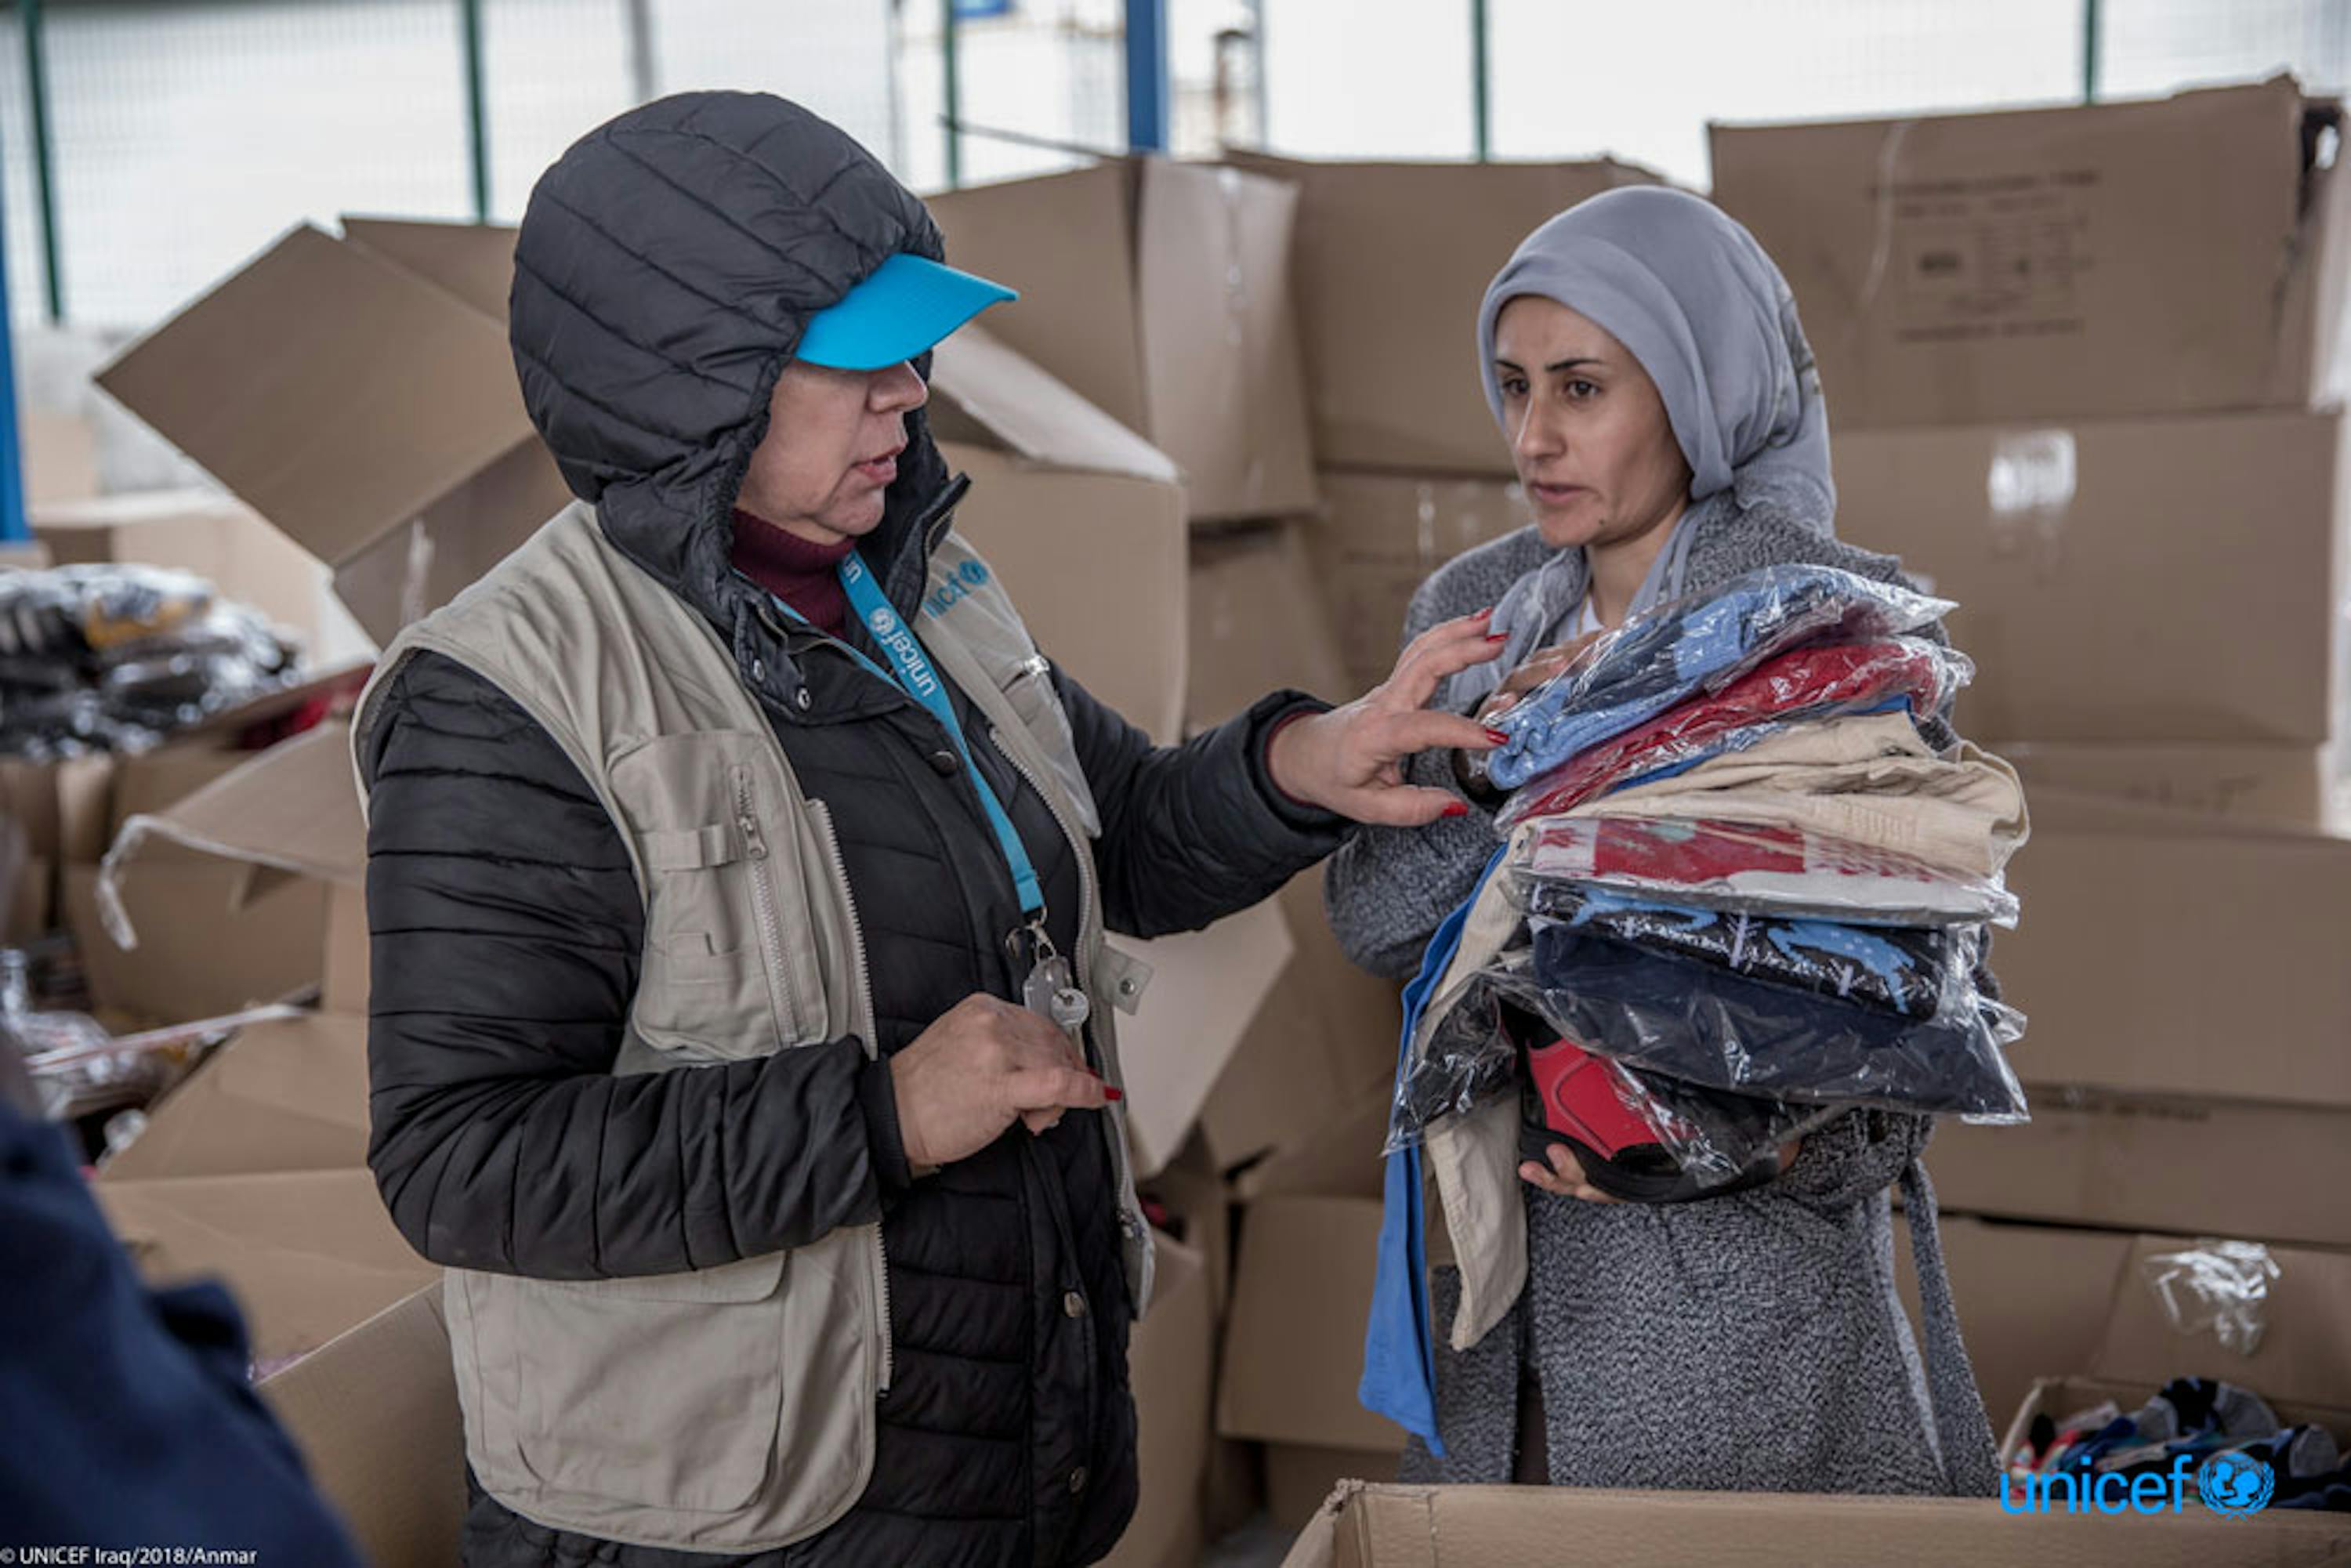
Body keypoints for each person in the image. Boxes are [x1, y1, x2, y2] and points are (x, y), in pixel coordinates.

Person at [354, 92, 1502, 1568]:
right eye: (855, 359)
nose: (910, 390)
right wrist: (882, 1112)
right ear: (697, 378)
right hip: (722, 1519)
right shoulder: (513, 695)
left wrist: (1302, 762)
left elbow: (1117, 833)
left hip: (994, 1471)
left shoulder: (909, 582)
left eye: (914, 347)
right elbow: (465, 1158)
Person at [1324, 186, 2003, 1496]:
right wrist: (1504, 778)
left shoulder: (1822, 616)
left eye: (1582, 388)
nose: (1534, 436)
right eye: (1514, 385)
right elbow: (1371, 926)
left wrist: (1750, 1147)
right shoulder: (1474, 615)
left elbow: (1931, 1024)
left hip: (1749, 1329)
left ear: (1696, 391)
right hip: (1506, 1316)